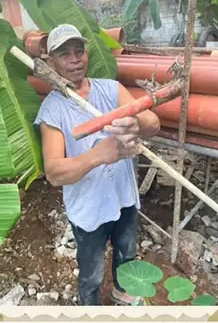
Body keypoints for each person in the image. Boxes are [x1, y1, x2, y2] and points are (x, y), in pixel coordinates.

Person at [33, 24, 160, 306]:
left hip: (123, 196)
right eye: (65, 54)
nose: (75, 59)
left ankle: (121, 292)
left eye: (79, 51)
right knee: (91, 274)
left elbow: (154, 123)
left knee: (126, 254)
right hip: (89, 209)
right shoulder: (52, 110)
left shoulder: (111, 90)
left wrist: (136, 123)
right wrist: (100, 154)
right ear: (51, 62)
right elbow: (54, 173)